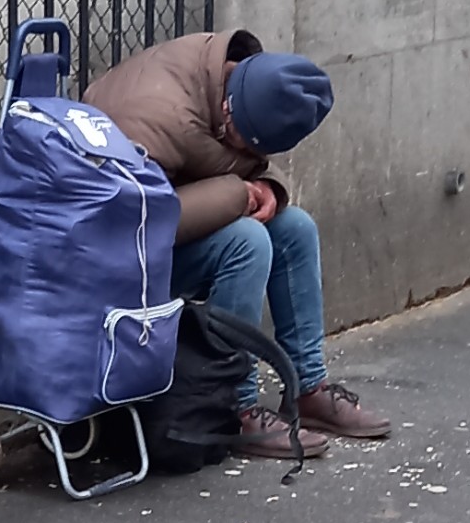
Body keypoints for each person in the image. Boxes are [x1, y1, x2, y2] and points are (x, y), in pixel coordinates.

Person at [83, 29, 391, 459]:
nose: (243, 151)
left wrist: (265, 186)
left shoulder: (235, 81)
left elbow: (240, 161)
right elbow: (138, 219)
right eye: (243, 141)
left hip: (170, 210)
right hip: (116, 248)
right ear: (229, 111)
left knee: (294, 228)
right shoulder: (158, 117)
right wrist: (237, 194)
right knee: (245, 243)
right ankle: (236, 405)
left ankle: (308, 386)